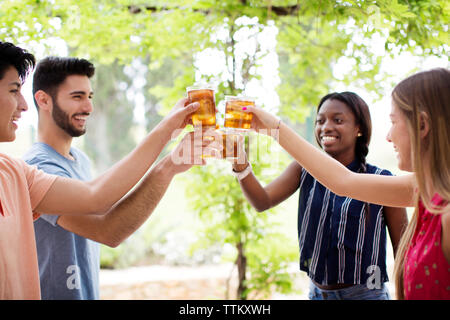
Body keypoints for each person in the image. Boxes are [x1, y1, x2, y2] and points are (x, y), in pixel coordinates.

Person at [0, 41, 204, 299]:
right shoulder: (35, 166)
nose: (88, 107)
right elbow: (109, 228)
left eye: (90, 96)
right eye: (77, 97)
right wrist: (167, 136)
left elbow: (98, 199)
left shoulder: (36, 169)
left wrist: (170, 164)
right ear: (44, 100)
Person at [240, 68, 450, 300]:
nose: (388, 136)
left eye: (393, 122)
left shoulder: (397, 185)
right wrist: (245, 158)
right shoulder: (424, 190)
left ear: (422, 125)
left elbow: (400, 249)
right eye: (320, 121)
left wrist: (275, 128)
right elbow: (341, 182)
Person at [227, 92, 407, 300]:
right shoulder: (303, 170)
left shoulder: (381, 179)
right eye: (320, 121)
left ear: (359, 129)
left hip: (366, 294)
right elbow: (262, 201)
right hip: (317, 294)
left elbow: (403, 253)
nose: (326, 127)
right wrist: (239, 162)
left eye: (337, 120)